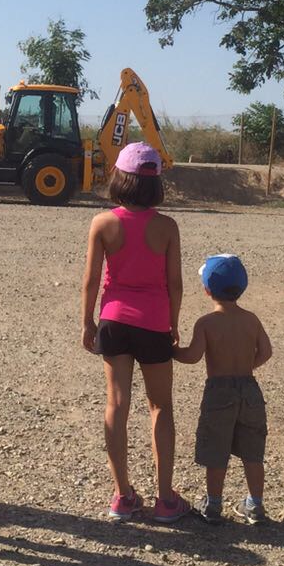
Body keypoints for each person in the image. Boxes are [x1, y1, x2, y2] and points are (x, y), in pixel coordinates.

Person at [80, 142, 187, 524]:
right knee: (161, 406)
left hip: (114, 321)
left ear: (120, 178)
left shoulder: (103, 223)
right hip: (154, 322)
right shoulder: (167, 227)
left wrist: (87, 321)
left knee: (116, 404)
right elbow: (175, 283)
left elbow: (91, 279)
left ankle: (123, 495)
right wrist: (174, 323)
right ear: (155, 183)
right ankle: (165, 499)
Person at [173, 254, 271, 525]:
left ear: (207, 289)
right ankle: (256, 504)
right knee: (252, 451)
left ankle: (213, 504)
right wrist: (247, 366)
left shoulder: (207, 322)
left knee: (217, 450)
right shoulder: (251, 319)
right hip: (249, 388)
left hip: (219, 391)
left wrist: (173, 351)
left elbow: (193, 356)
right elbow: (266, 351)